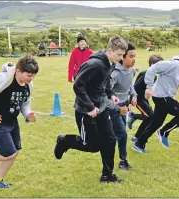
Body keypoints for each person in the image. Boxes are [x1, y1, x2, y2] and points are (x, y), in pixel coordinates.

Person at [54, 35, 128, 183]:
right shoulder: (95, 64)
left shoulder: (109, 64)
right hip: (85, 111)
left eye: (122, 55)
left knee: (110, 140)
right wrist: (89, 107)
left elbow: (104, 83)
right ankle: (65, 141)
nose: (121, 58)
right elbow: (78, 85)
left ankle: (107, 176)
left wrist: (111, 94)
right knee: (93, 146)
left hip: (101, 108)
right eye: (119, 55)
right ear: (109, 50)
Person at [0, 55, 39, 188]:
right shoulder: (2, 79)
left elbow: (25, 103)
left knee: (15, 151)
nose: (31, 78)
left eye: (33, 75)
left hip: (12, 121)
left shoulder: (28, 85)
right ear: (18, 71)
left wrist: (28, 114)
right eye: (29, 75)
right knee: (9, 152)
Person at [132, 43, 179, 153]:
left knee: (157, 122)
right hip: (161, 96)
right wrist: (149, 87)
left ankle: (139, 144)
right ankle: (164, 132)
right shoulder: (173, 64)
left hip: (166, 97)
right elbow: (152, 69)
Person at [109, 42, 137, 171]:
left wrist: (133, 96)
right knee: (122, 134)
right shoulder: (115, 73)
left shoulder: (131, 71)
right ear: (122, 58)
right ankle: (123, 161)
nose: (134, 59)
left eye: (134, 56)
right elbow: (107, 90)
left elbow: (130, 86)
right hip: (114, 107)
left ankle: (113, 157)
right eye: (131, 56)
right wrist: (116, 105)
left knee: (118, 134)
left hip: (124, 106)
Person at [127, 55, 164, 142]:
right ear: (152, 65)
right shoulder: (147, 75)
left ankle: (137, 136)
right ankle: (133, 116)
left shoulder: (151, 74)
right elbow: (135, 87)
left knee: (150, 117)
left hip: (143, 99)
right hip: (139, 99)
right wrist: (132, 99)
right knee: (150, 116)